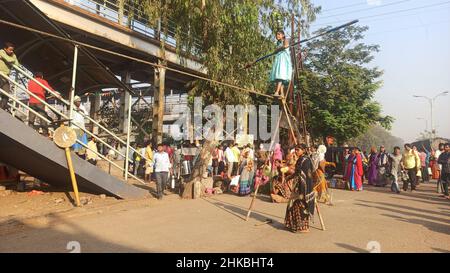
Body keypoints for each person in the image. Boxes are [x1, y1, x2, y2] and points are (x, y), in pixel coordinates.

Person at [285, 144, 315, 233]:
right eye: (296, 149)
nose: (296, 151)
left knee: (301, 205)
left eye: (298, 150)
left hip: (303, 186)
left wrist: (302, 189)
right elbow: (297, 172)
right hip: (298, 185)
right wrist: (289, 177)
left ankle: (303, 227)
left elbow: (305, 175)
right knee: (293, 204)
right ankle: (294, 225)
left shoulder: (306, 160)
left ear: (304, 150)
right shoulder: (300, 159)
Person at [269, 30, 292, 97]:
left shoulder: (286, 40)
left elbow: (285, 46)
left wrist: (277, 50)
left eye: (279, 34)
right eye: (276, 35)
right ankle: (281, 93)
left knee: (280, 76)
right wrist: (276, 50)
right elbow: (278, 49)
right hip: (279, 59)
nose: (277, 36)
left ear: (283, 35)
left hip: (283, 60)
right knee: (279, 76)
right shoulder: (278, 43)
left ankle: (276, 92)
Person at [0, 42, 20, 111]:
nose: (12, 51)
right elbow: (8, 60)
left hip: (6, 76)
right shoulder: (1, 51)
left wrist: (11, 59)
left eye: (12, 50)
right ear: (5, 49)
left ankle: (1, 108)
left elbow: (17, 65)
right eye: (10, 50)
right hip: (0, 74)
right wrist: (11, 60)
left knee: (6, 93)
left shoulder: (13, 55)